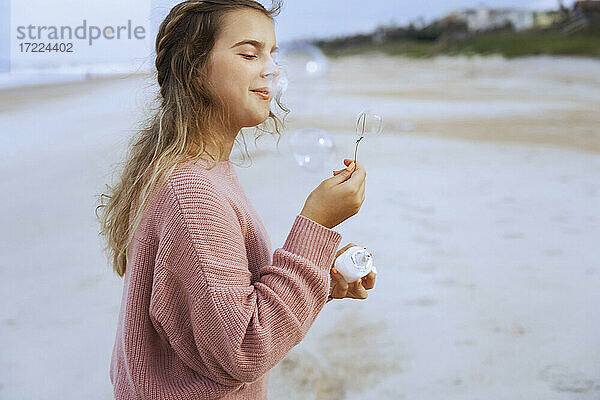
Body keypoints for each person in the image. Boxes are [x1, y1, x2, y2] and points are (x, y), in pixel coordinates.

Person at [96, 1, 375, 399]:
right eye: (249, 53)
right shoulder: (194, 194)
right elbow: (242, 347)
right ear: (194, 70)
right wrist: (317, 224)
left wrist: (318, 274)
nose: (271, 69)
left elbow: (221, 305)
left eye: (272, 54)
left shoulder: (197, 173)